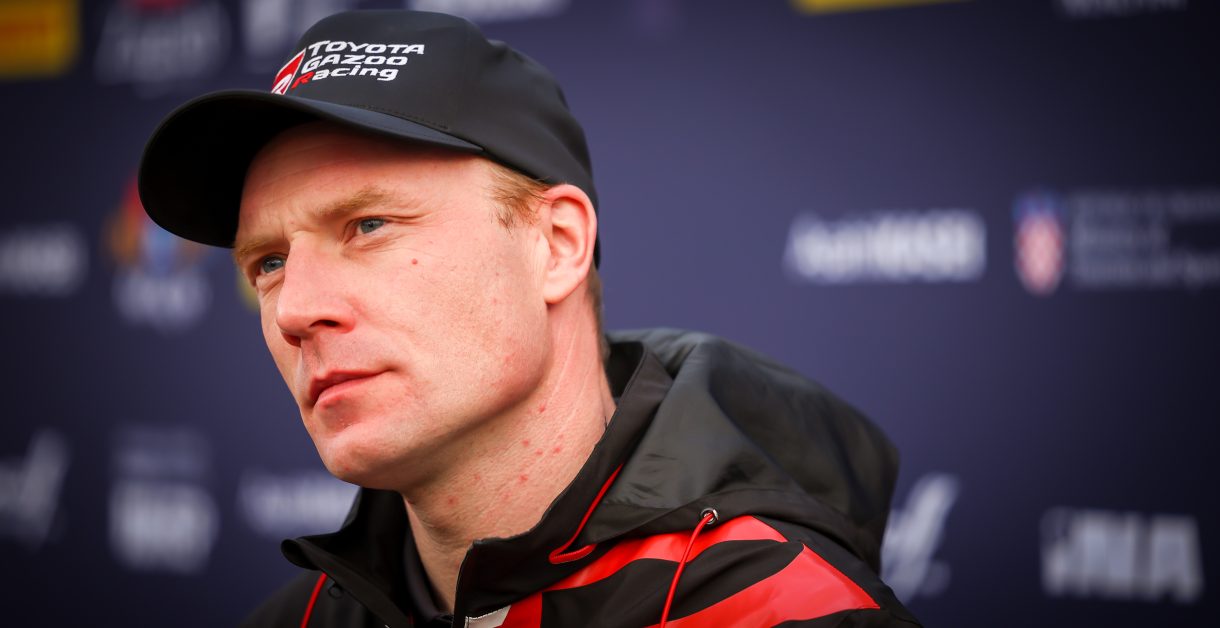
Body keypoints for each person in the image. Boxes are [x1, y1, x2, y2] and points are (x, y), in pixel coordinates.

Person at [138, 9, 920, 628]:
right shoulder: (299, 620)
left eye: (368, 226)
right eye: (268, 263)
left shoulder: (777, 612)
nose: (296, 311)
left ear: (557, 245)